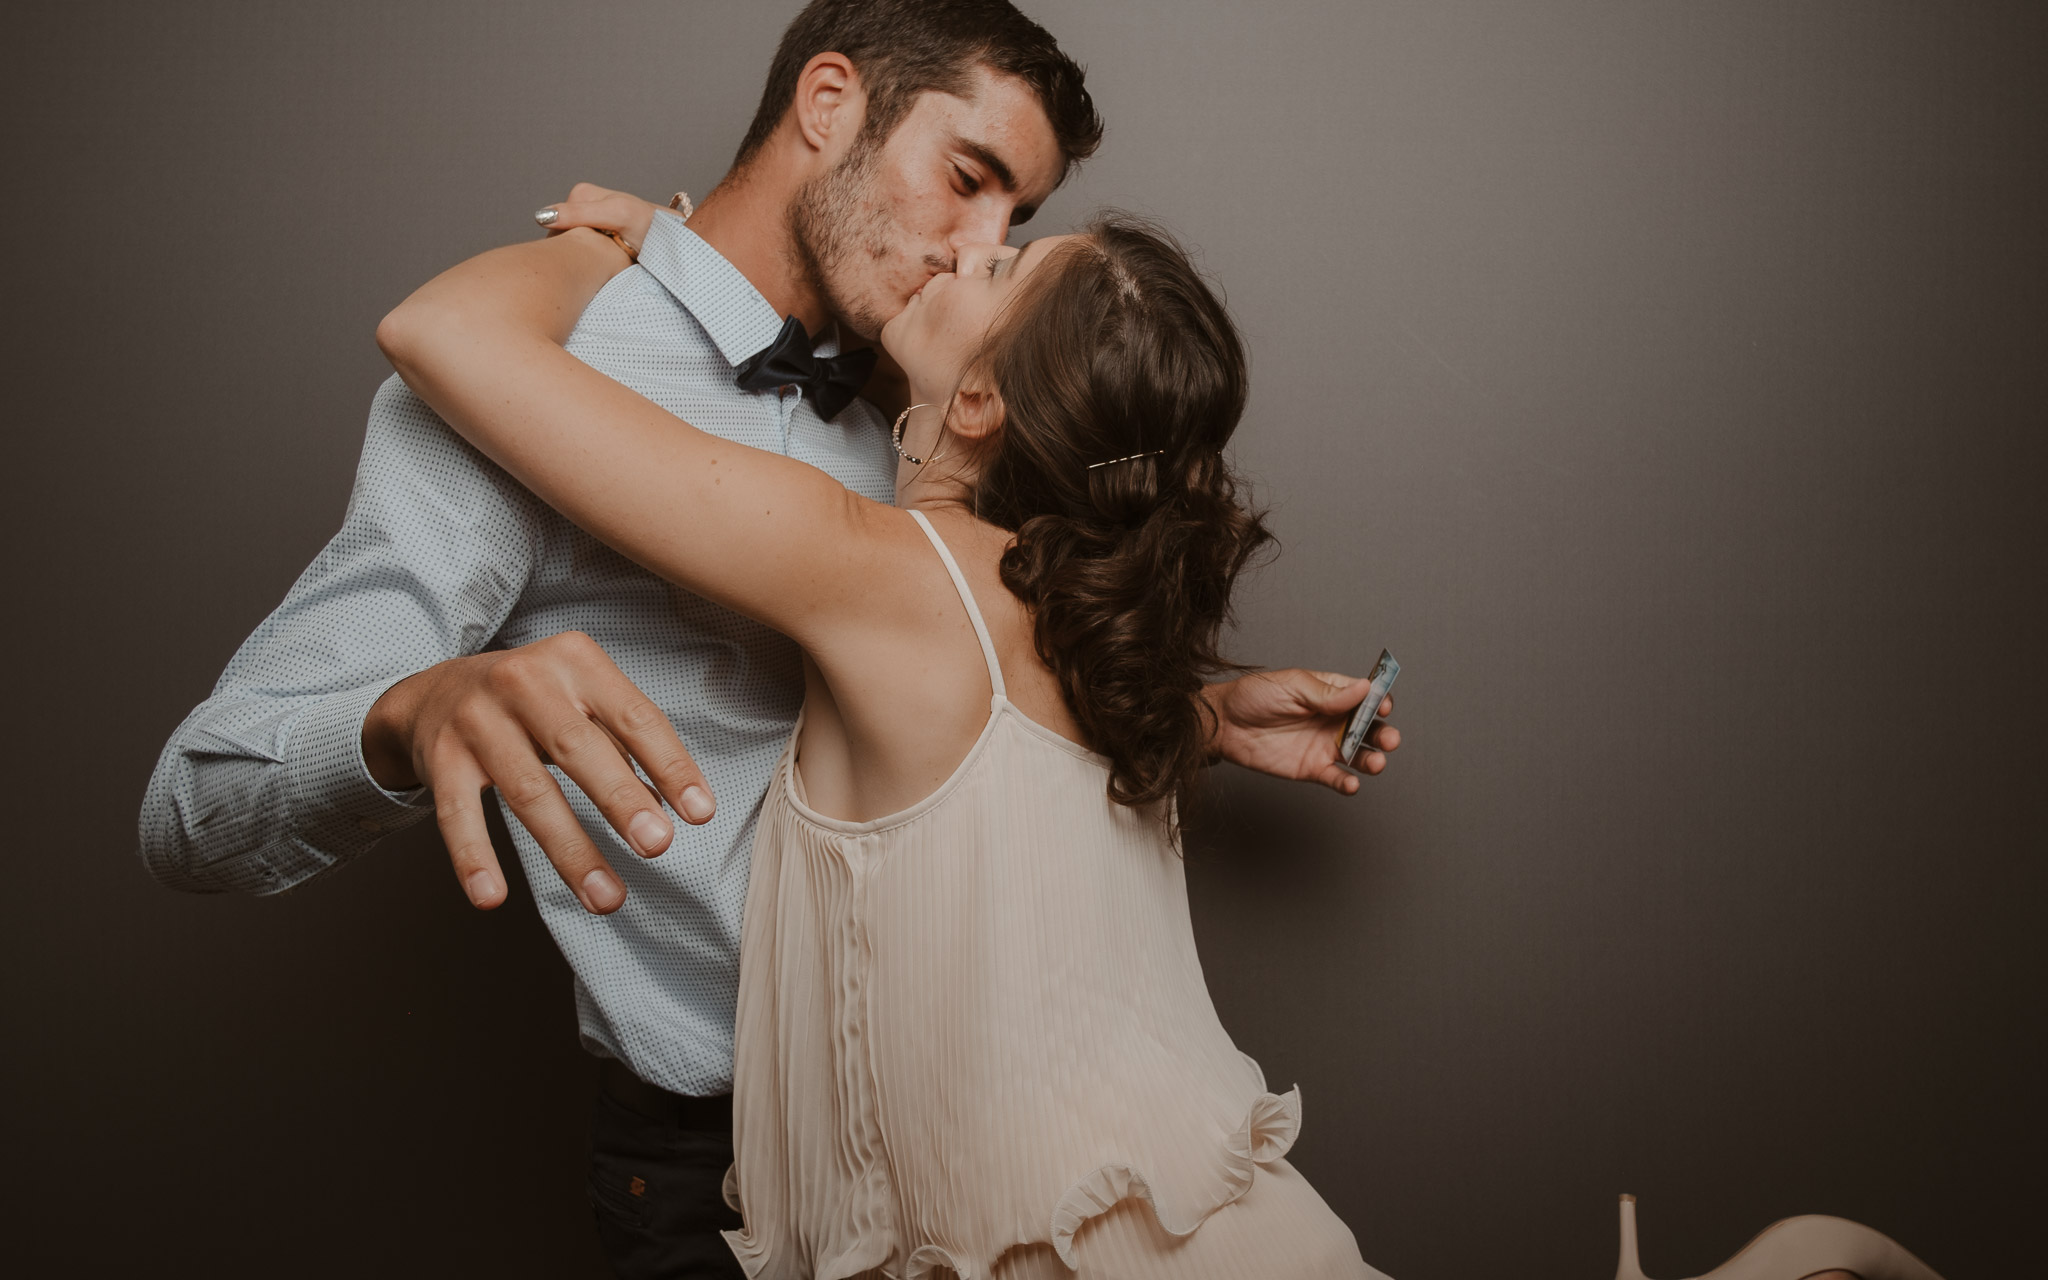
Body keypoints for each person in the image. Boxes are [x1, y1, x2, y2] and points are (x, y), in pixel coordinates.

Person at [137, 1, 1398, 1273]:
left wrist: (1192, 712)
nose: (975, 246)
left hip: (1004, 1158)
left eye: (1014, 225)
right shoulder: (532, 384)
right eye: (968, 181)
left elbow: (995, 691)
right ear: (829, 102)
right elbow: (197, 800)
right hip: (719, 1173)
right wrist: (407, 718)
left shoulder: (939, 410)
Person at [380, 181, 1396, 1275]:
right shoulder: (1074, 624)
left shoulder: (877, 571)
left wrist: (627, 252)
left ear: (978, 408)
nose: (974, 249)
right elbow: (996, 772)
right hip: (1210, 1227)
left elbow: (437, 332)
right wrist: (1202, 714)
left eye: (1002, 270)